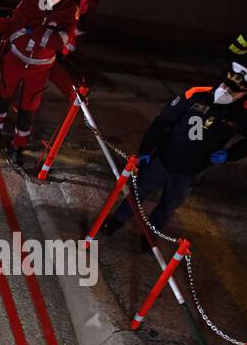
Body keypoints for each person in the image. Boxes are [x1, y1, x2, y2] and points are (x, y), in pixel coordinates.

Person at [102, 65, 247, 236]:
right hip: (163, 160)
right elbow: (162, 121)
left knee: (167, 207)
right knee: (137, 192)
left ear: (243, 94)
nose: (225, 91)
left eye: (232, 91)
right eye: (225, 85)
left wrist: (231, 154)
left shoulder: (241, 114)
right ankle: (116, 222)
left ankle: (150, 236)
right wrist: (146, 150)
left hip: (189, 173)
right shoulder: (196, 95)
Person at [0, 0, 77, 169]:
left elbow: (61, 41)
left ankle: (18, 145)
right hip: (16, 59)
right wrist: (43, 35)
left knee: (28, 107)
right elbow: (14, 27)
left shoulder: (69, 12)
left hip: (40, 68)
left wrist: (33, 32)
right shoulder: (32, 2)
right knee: (4, 95)